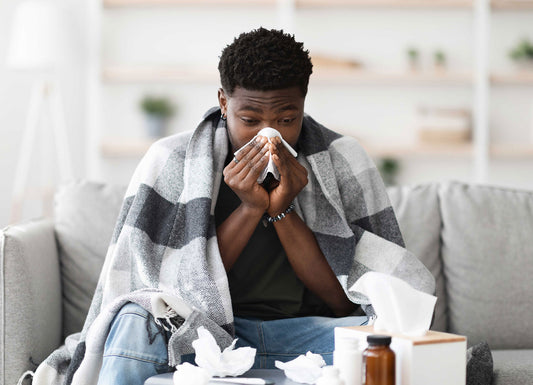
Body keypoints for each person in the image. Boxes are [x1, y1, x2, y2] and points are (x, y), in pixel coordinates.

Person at [31, 27, 434, 385]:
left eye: (286, 118)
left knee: (393, 334)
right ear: (224, 102)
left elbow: (347, 300)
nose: (268, 134)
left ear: (304, 106)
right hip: (201, 335)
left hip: (304, 335)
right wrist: (248, 209)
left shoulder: (343, 159)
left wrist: (282, 209)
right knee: (131, 322)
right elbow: (165, 296)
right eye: (251, 118)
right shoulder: (171, 160)